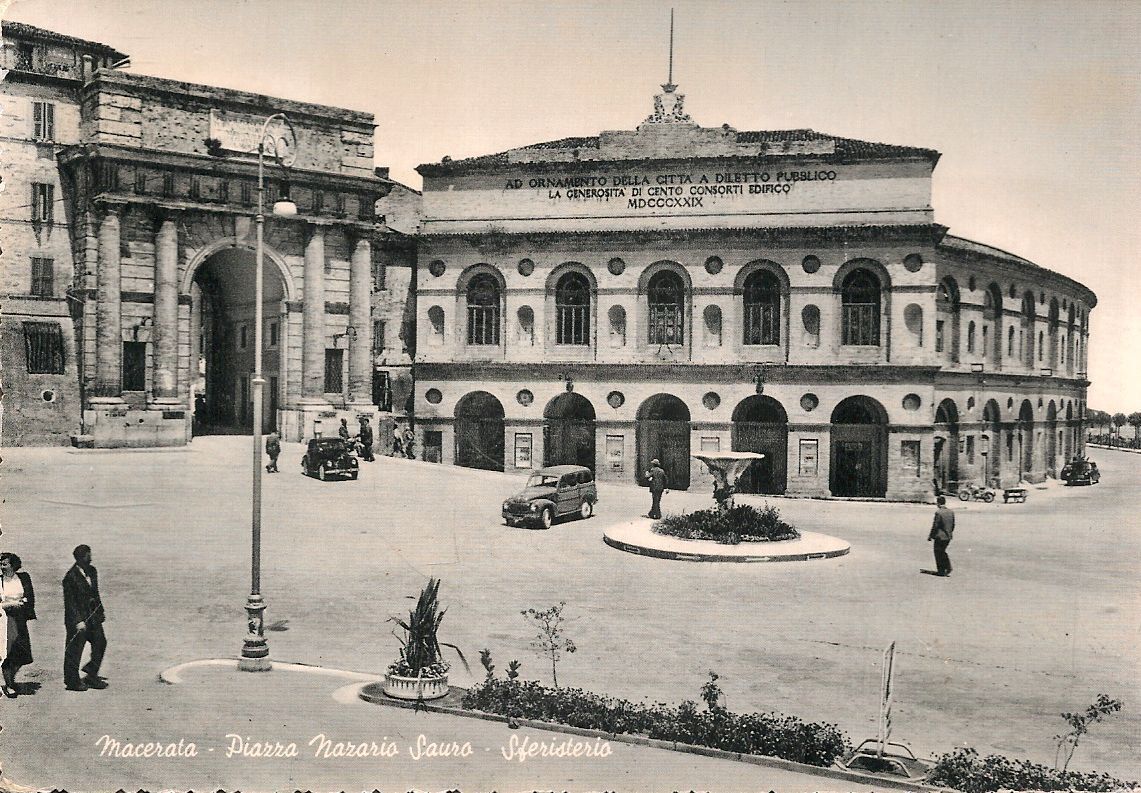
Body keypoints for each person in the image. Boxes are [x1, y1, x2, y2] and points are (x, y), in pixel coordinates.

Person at [62, 545, 108, 691]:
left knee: (100, 642)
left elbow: (95, 593)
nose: (91, 558)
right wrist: (78, 621)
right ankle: (72, 681)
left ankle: (91, 674)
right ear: (81, 558)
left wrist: (100, 612)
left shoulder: (92, 571)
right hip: (78, 620)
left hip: (92, 617)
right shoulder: (70, 577)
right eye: (88, 555)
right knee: (74, 650)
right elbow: (70, 603)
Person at [0, 552, 36, 698]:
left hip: (20, 619)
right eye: (1, 564)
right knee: (8, 653)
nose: (2, 567)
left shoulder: (24, 577)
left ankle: (11, 679)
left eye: (5, 564)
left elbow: (30, 596)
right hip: (4, 620)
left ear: (13, 565)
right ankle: (9, 684)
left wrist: (24, 607)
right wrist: (10, 604)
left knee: (22, 653)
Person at [928, 495, 956, 577]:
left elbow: (935, 525)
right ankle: (947, 567)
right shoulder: (951, 512)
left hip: (940, 536)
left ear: (939, 503)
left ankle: (942, 570)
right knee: (942, 551)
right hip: (948, 536)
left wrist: (931, 536)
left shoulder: (938, 512)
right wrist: (949, 532)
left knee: (938, 552)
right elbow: (953, 525)